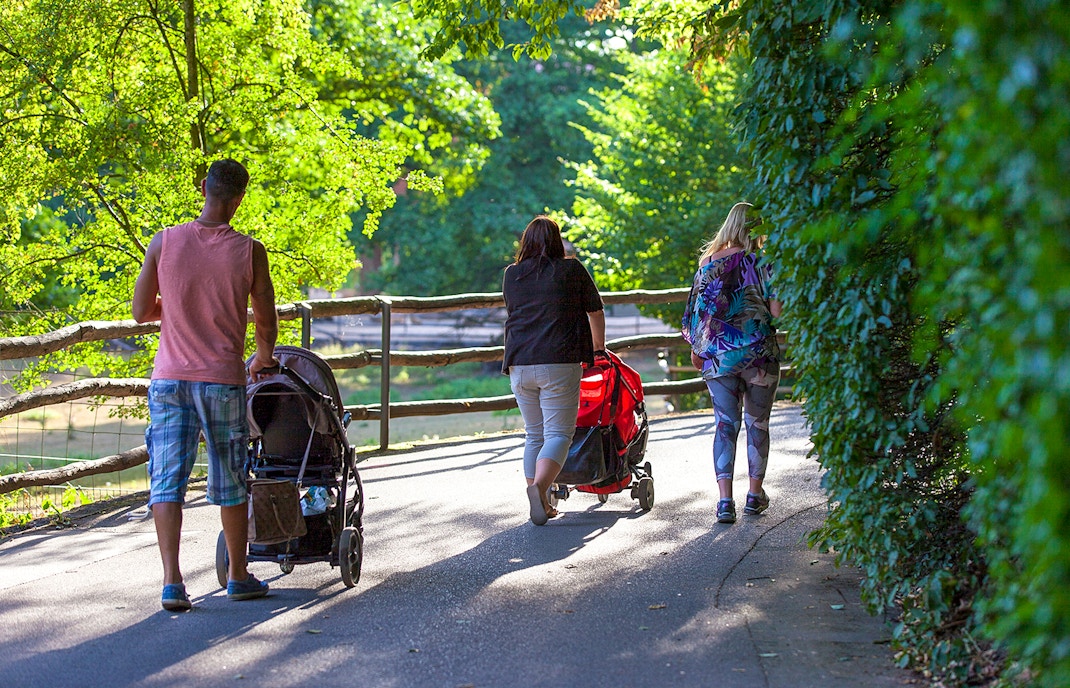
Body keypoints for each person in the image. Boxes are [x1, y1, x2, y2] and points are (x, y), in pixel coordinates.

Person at [132, 159, 279, 611]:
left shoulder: (165, 241)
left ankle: (172, 582)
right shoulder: (249, 250)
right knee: (232, 477)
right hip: (221, 380)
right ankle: (237, 575)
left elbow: (140, 311)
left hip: (169, 380)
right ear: (239, 199)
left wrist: (175, 310)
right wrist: (263, 356)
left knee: (167, 480)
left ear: (202, 188)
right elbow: (265, 319)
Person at [682, 201, 782, 524]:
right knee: (757, 425)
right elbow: (778, 312)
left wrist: (698, 351)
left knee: (725, 427)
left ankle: (725, 502)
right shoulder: (763, 262)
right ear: (755, 230)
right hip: (759, 356)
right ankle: (754, 496)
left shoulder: (706, 265)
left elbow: (695, 319)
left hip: (719, 359)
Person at [502, 216, 606, 525]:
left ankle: (543, 501)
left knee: (534, 434)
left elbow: (516, 311)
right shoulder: (571, 269)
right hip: (558, 362)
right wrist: (598, 348)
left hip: (519, 363)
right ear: (557, 241)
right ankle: (540, 488)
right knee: (559, 433)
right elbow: (595, 310)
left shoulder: (512, 275)